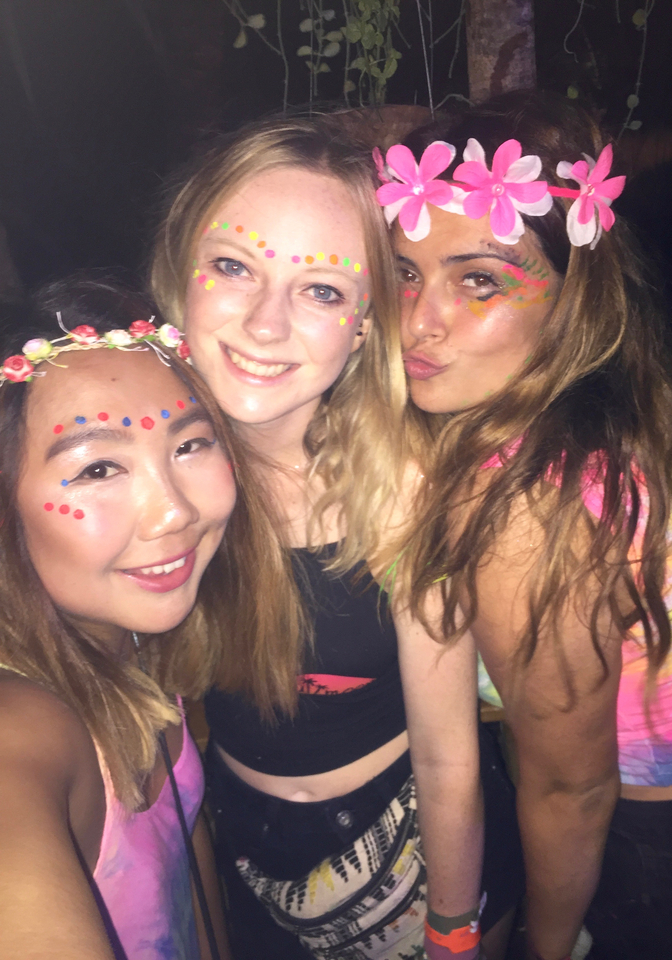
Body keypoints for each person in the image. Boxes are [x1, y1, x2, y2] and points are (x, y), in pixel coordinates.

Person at [151, 117, 524, 960]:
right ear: (183, 273)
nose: (264, 323)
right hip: (245, 858)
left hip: (418, 855)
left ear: (364, 325)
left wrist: (453, 934)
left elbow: (448, 758)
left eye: (321, 289)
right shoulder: (147, 480)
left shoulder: (401, 488)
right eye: (234, 266)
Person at [379, 91, 672, 960]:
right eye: (405, 272)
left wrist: (547, 943)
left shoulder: (533, 498)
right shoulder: (618, 401)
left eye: (480, 278)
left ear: (568, 301)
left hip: (663, 847)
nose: (418, 320)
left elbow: (572, 788)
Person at [0, 278, 275, 960]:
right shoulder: (22, 730)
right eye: (96, 469)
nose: (175, 512)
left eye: (189, 445)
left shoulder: (131, 641)